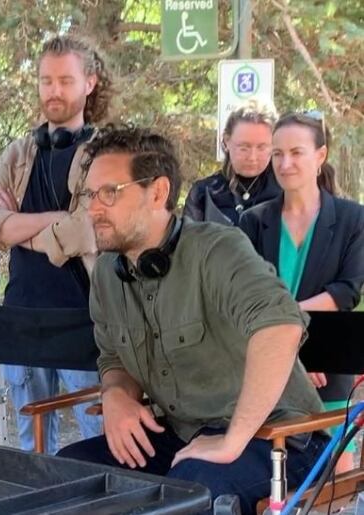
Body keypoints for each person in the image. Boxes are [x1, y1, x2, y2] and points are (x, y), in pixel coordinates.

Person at [56, 124, 327, 515]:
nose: (94, 208)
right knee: (68, 473)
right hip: (182, 435)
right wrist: (115, 395)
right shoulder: (105, 275)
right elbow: (114, 358)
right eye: (89, 195)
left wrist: (232, 440)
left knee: (192, 491)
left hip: (278, 438)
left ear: (158, 192)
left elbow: (280, 326)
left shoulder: (218, 249)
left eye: (110, 193)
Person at [0, 34, 114, 454]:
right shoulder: (18, 154)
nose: (54, 90)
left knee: (101, 438)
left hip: (83, 319)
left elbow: (88, 231)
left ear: (89, 83)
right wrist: (56, 222)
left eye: (65, 80)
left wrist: (17, 225)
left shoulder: (103, 155)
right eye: (46, 80)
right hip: (21, 317)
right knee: (30, 445)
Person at [240, 112, 364, 472]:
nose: (285, 162)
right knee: (276, 482)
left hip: (327, 363)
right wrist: (286, 351)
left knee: (334, 484)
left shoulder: (353, 219)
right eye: (277, 154)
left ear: (320, 155)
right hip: (267, 368)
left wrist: (294, 336)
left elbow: (346, 291)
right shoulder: (252, 221)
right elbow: (247, 296)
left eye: (296, 152)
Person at [184, 99, 281, 225]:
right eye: (244, 147)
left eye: (261, 147)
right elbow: (190, 241)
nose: (252, 157)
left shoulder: (285, 190)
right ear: (226, 141)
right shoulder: (204, 193)